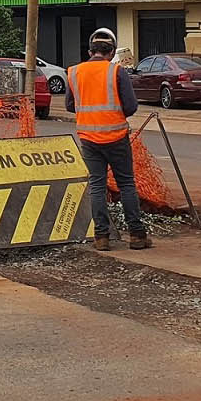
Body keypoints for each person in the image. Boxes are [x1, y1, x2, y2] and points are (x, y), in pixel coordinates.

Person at [66, 28, 152, 251]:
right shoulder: (117, 72)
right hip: (116, 137)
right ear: (112, 52)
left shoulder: (74, 72)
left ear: (90, 51)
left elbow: (69, 105)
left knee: (97, 185)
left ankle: (102, 237)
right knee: (126, 184)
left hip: (89, 139)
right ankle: (137, 236)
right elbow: (131, 106)